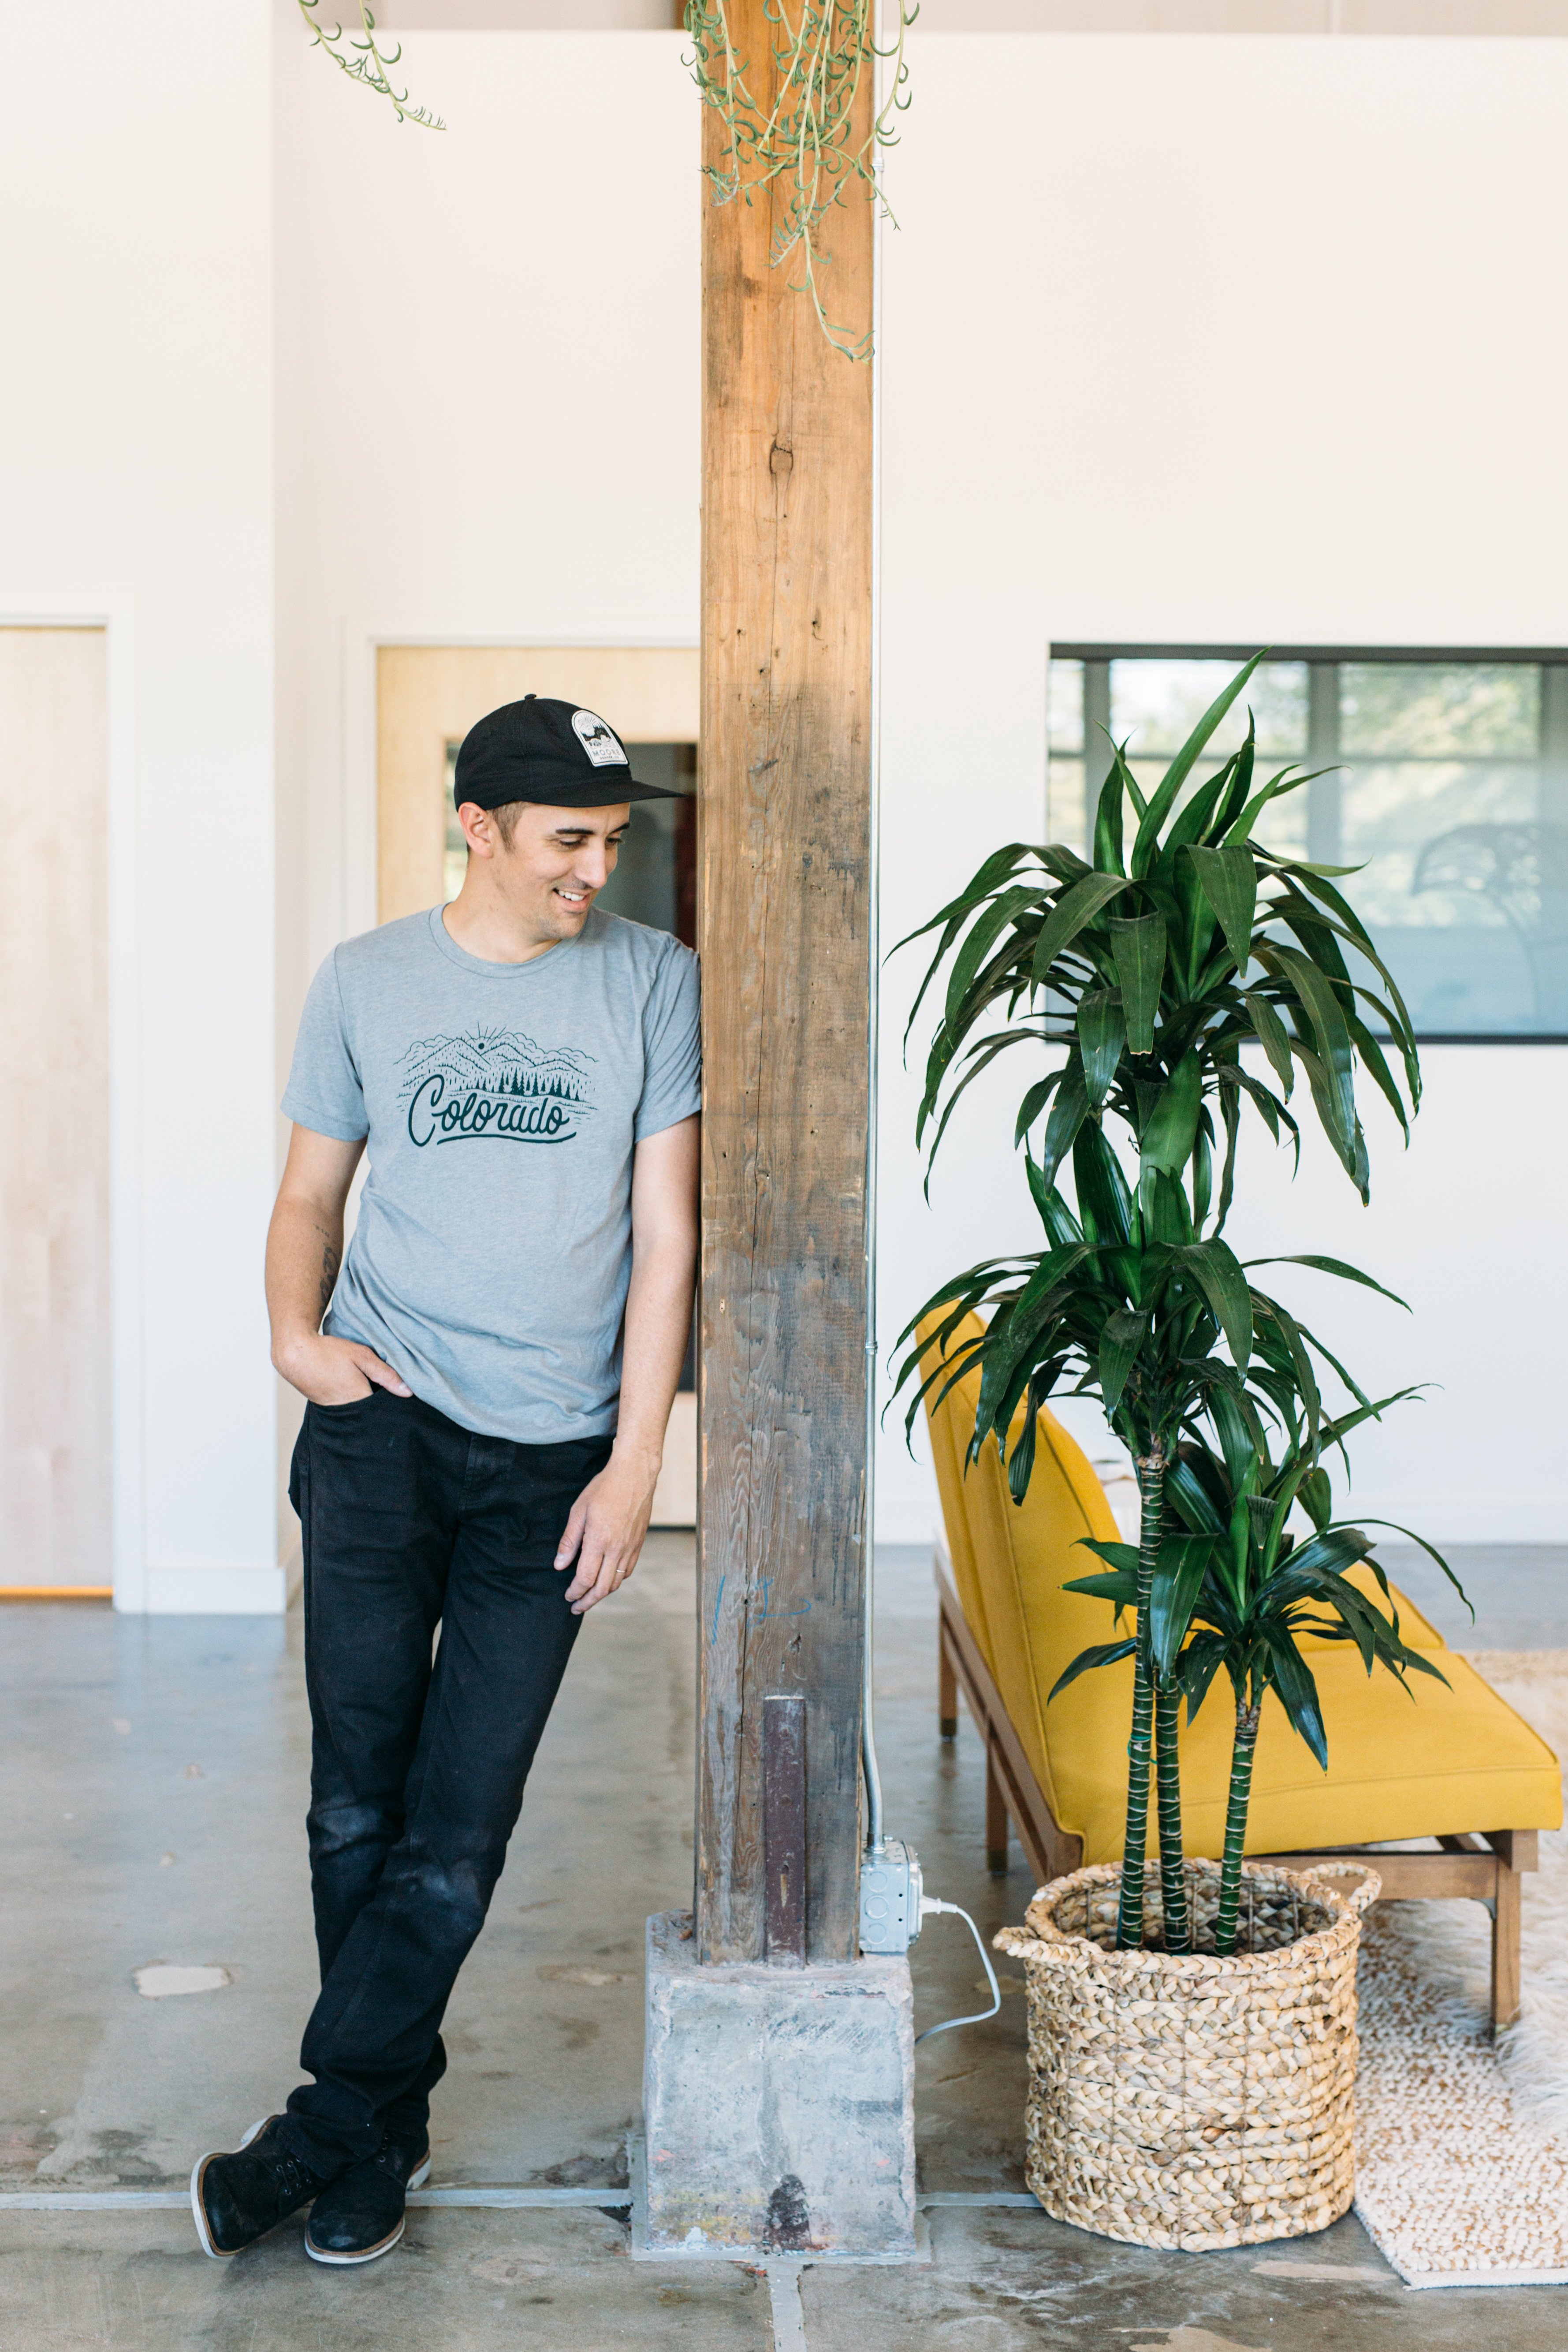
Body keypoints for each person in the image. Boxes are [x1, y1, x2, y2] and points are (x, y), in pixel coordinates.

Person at [190, 695, 700, 2267]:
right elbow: (307, 1195)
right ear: (478, 826)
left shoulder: (653, 981)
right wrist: (295, 1341)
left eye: (612, 844)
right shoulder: (364, 981)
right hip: (380, 1430)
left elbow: (669, 1232)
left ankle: (326, 2124)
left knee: (459, 1823)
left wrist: (634, 1467)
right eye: (567, 843)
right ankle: (377, 2141)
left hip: (549, 1465)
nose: (592, 876)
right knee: (357, 1803)